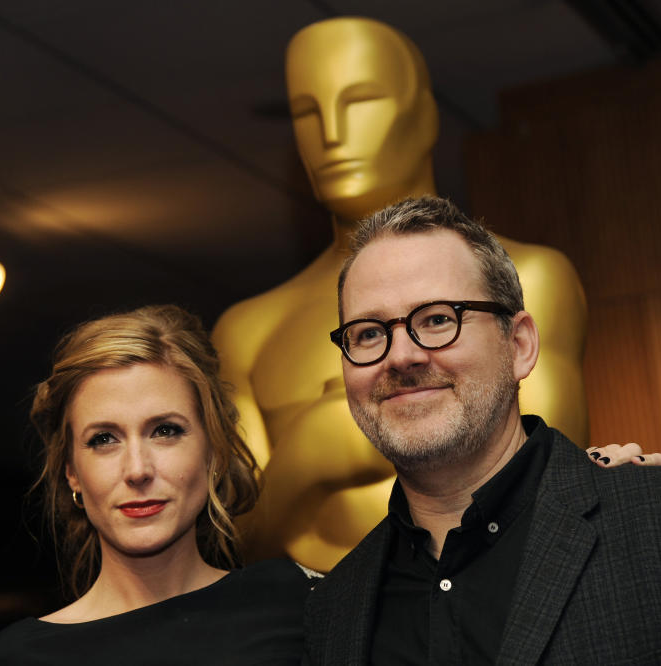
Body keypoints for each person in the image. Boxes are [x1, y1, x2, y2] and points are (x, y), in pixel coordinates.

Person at [302, 196, 661, 664]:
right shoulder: (333, 610)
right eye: (368, 333)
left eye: (437, 319)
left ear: (519, 345)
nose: (402, 355)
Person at [213, 17, 599, 572]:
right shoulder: (249, 330)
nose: (331, 133)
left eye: (361, 100)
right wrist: (310, 454)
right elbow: (231, 545)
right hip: (317, 626)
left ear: (423, 115)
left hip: (493, 589)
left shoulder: (530, 276)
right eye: (306, 112)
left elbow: (554, 482)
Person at [0, 305, 312, 665]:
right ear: (71, 470)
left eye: (165, 431)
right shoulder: (19, 657)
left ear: (213, 450)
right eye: (104, 439)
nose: (137, 470)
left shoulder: (298, 602)